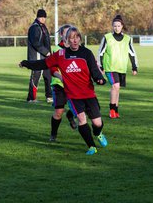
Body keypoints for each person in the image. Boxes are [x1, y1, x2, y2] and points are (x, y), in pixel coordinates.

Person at [20, 26, 108, 155]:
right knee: (81, 119)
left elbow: (94, 69)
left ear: (80, 38)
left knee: (97, 123)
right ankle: (91, 147)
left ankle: (98, 133)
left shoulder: (86, 53)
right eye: (71, 38)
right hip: (73, 95)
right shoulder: (61, 54)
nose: (74, 40)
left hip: (88, 93)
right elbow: (44, 63)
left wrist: (99, 79)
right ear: (67, 40)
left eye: (76, 37)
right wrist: (26, 63)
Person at [97, 14, 138, 119]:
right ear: (112, 26)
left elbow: (132, 53)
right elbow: (100, 52)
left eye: (118, 26)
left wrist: (134, 67)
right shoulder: (107, 37)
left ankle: (116, 110)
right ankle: (112, 110)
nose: (116, 28)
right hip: (110, 67)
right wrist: (100, 66)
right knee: (116, 86)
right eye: (114, 26)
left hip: (121, 68)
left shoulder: (127, 39)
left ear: (122, 26)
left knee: (117, 89)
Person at [49, 24, 77, 142]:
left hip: (74, 84)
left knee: (81, 108)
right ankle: (53, 134)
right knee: (59, 111)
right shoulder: (56, 49)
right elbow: (51, 67)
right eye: (66, 33)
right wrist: (60, 76)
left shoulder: (76, 48)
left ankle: (70, 115)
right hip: (58, 84)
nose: (68, 35)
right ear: (61, 35)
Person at [26, 9, 52, 103]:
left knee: (48, 76)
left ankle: (49, 96)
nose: (43, 19)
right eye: (41, 17)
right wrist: (46, 52)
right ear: (37, 17)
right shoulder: (34, 28)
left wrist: (49, 53)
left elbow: (47, 42)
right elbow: (35, 43)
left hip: (45, 57)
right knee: (36, 76)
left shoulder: (43, 27)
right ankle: (31, 98)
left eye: (44, 17)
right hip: (37, 57)